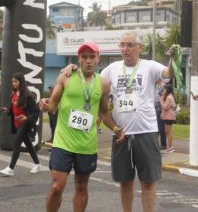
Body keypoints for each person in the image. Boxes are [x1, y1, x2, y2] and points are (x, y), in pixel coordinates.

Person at [62, 31, 174, 212]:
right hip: (121, 133)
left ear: (140, 48)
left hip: (146, 131)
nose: (125, 49)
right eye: (122, 45)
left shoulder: (149, 66)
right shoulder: (112, 69)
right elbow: (90, 77)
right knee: (125, 182)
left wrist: (173, 59)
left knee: (148, 182)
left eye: (129, 45)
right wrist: (73, 69)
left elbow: (168, 72)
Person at [39, 41, 120, 212]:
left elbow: (104, 113)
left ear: (98, 59)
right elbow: (53, 104)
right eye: (84, 57)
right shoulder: (66, 76)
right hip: (63, 143)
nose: (88, 60)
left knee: (81, 186)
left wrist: (116, 129)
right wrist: (45, 105)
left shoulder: (103, 84)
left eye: (92, 57)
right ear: (79, 59)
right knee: (56, 187)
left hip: (86, 146)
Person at [0, 72, 41, 176]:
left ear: (21, 82)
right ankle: (37, 164)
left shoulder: (28, 95)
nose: (13, 83)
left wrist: (27, 118)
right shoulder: (13, 94)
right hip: (17, 123)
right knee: (28, 144)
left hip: (25, 123)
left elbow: (35, 112)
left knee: (16, 143)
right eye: (12, 81)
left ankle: (10, 168)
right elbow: (14, 110)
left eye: (16, 81)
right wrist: (7, 111)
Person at [160, 84, 177, 153]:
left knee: (168, 132)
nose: (163, 90)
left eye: (164, 89)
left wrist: (161, 100)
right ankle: (170, 147)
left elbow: (165, 107)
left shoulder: (169, 97)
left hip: (169, 117)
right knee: (168, 131)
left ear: (167, 90)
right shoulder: (169, 96)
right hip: (168, 116)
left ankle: (170, 147)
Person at [155, 80, 166, 150]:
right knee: (155, 127)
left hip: (160, 108)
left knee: (161, 127)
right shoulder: (154, 85)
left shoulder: (163, 86)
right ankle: (156, 143)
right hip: (154, 107)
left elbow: (164, 98)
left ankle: (163, 144)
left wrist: (162, 111)